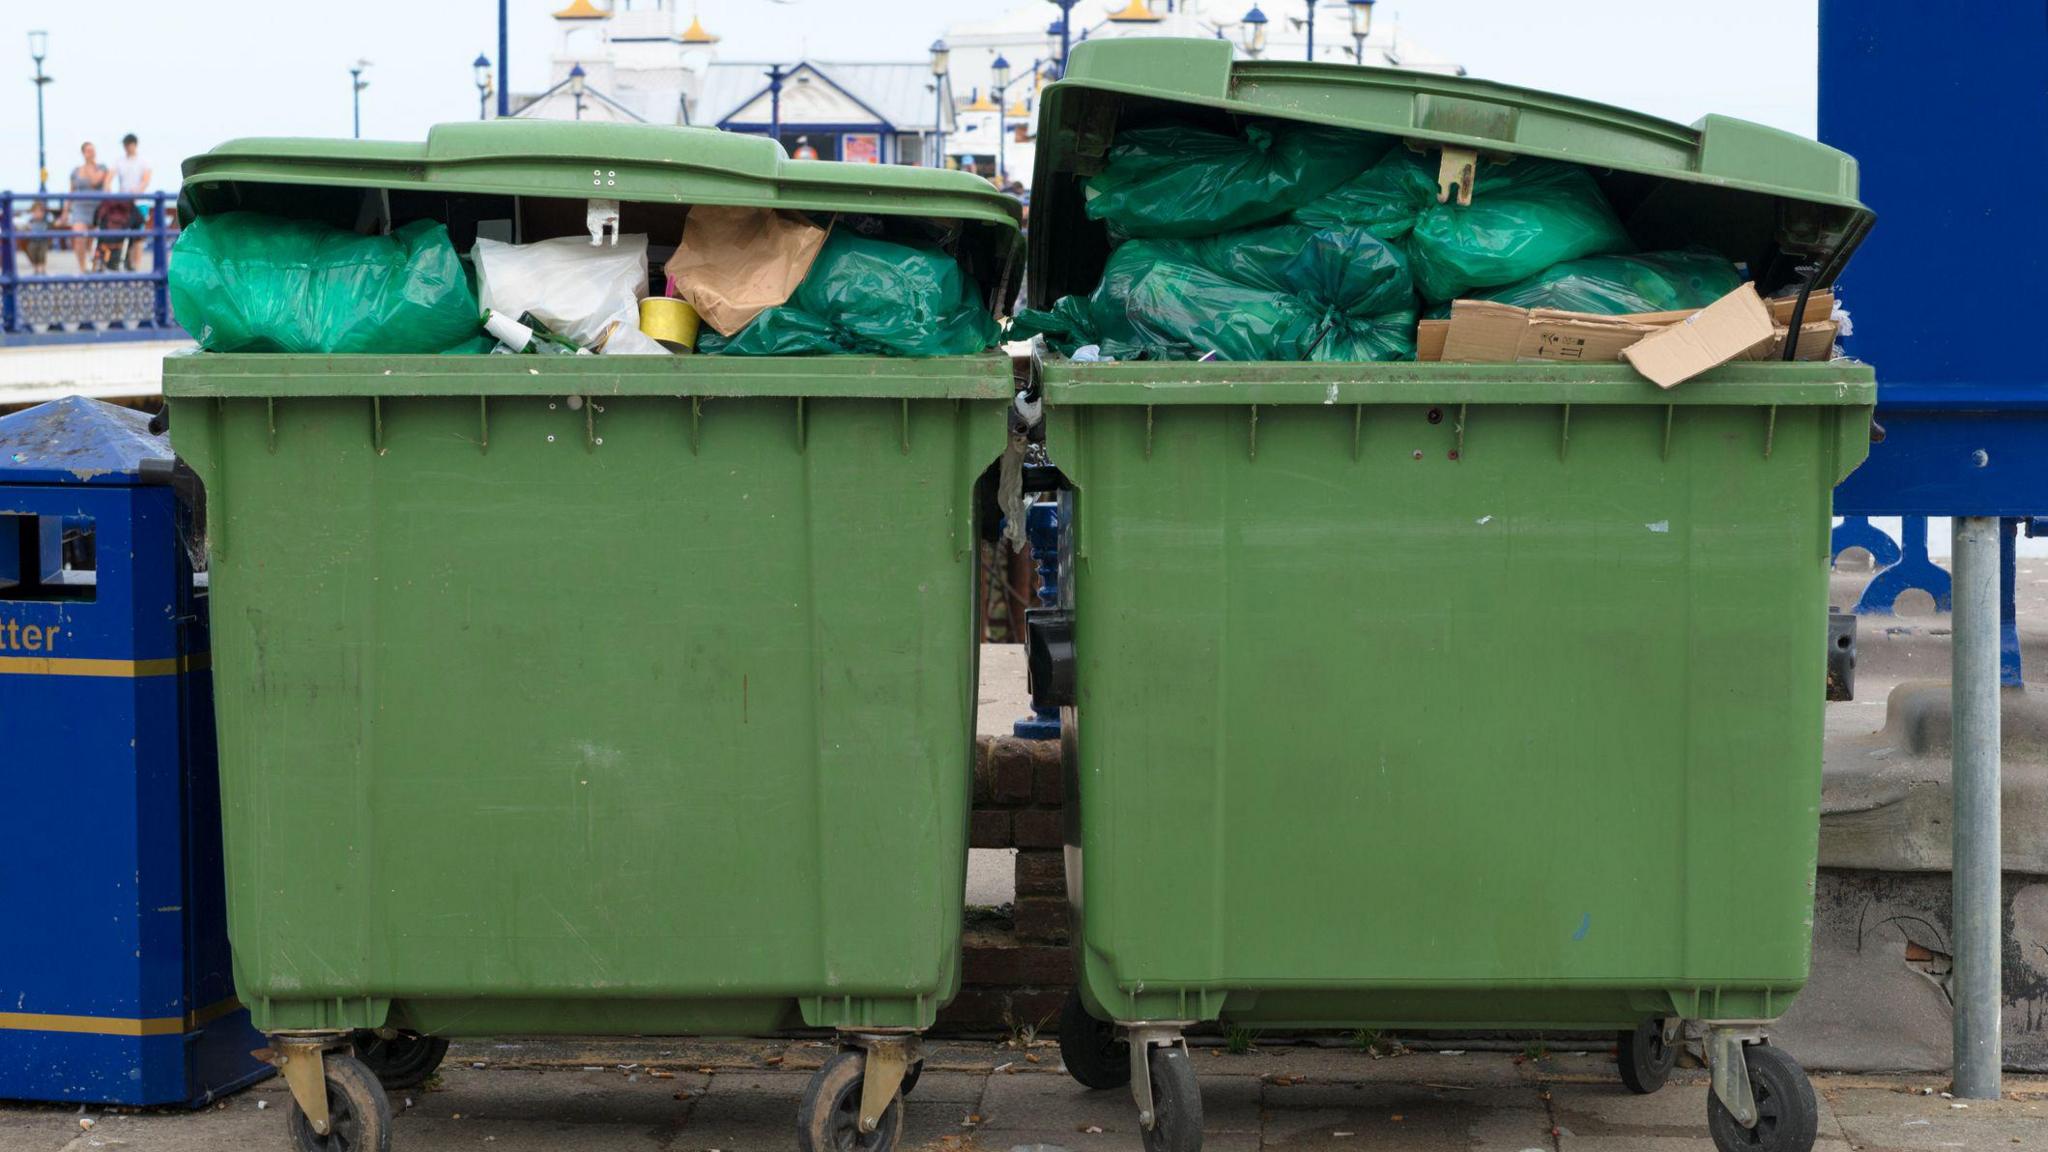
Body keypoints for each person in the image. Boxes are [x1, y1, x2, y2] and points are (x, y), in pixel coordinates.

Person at [67, 141, 111, 272]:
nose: (91, 153)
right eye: (88, 150)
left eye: (93, 150)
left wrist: (89, 165)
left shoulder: (102, 167)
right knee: (79, 236)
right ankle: (82, 268)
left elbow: (94, 181)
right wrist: (65, 211)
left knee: (92, 240)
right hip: (80, 207)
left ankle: (91, 264)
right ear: (83, 153)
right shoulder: (75, 171)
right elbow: (71, 191)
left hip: (97, 208)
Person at [113, 133, 152, 271]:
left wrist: (137, 190)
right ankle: (127, 263)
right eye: (124, 145)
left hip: (140, 202)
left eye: (128, 144)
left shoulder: (143, 161)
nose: (126, 147)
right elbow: (111, 175)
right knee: (124, 234)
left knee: (138, 236)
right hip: (124, 204)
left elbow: (146, 180)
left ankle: (137, 265)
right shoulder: (120, 161)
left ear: (134, 144)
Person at [15, 199, 55, 275]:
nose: (38, 214)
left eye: (40, 211)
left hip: (43, 241)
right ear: (32, 213)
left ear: (43, 213)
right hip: (33, 241)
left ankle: (42, 269)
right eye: (35, 212)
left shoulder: (45, 221)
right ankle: (36, 268)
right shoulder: (31, 221)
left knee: (42, 255)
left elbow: (52, 227)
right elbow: (26, 228)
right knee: (32, 252)